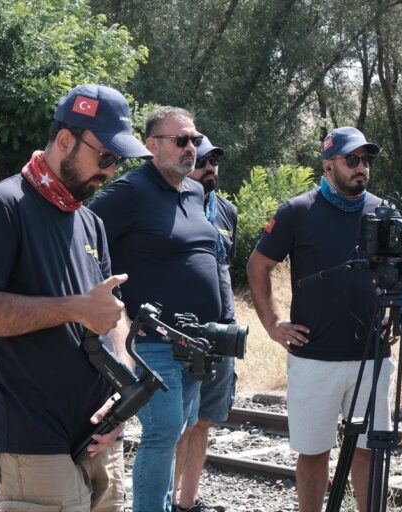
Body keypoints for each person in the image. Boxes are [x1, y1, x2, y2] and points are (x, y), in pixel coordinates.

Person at [0, 84, 151, 511]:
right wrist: (74, 308)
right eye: (105, 157)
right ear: (65, 140)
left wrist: (124, 387)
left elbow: (111, 311)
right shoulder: (0, 206)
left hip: (101, 436)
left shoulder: (90, 222)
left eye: (117, 160)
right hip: (33, 438)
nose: (111, 170)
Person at [246, 126, 395, 512]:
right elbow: (258, 265)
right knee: (314, 453)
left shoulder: (382, 211)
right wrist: (272, 323)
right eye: (352, 160)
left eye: (366, 160)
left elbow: (399, 271)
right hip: (313, 357)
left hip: (372, 358)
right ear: (328, 165)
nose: (361, 167)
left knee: (368, 451)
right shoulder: (297, 211)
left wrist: (395, 309)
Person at [89, 107, 222, 512]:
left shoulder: (195, 191)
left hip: (197, 342)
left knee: (179, 428)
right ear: (151, 146)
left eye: (195, 141)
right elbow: (84, 241)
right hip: (151, 341)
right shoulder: (128, 191)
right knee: (163, 431)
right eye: (181, 141)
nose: (191, 149)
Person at [173, 136, 238, 512]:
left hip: (221, 330)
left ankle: (187, 502)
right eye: (202, 159)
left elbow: (224, 268)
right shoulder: (172, 205)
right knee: (178, 422)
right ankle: (164, 499)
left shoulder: (227, 210)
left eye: (215, 159)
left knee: (203, 422)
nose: (210, 166)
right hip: (183, 331)